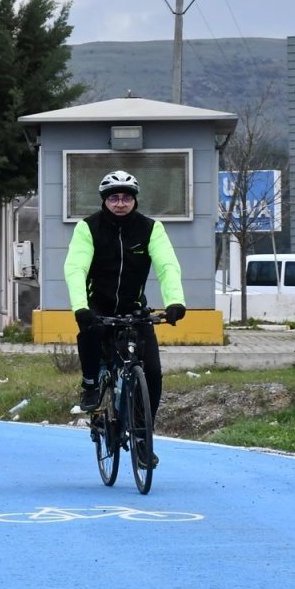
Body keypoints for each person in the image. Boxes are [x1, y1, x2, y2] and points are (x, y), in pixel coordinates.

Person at [64, 170, 186, 464]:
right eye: (114, 198)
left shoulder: (150, 229)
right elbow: (76, 267)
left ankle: (143, 438)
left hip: (134, 310)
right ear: (105, 201)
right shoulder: (88, 228)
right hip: (99, 308)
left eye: (126, 197)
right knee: (90, 334)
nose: (121, 203)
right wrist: (81, 307)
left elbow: (167, 265)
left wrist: (175, 301)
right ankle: (91, 384)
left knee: (153, 373)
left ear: (134, 200)